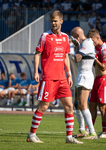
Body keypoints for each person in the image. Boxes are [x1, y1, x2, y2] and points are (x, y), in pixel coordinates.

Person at [26, 10, 83, 144]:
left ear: (61, 21)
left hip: (62, 78)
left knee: (69, 106)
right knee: (44, 106)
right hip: (49, 77)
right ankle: (32, 134)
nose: (53, 23)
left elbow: (65, 57)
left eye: (56, 21)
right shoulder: (45, 36)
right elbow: (37, 54)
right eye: (52, 21)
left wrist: (69, 74)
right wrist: (36, 72)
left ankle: (69, 137)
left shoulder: (65, 37)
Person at [70, 27, 97, 139]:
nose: (72, 40)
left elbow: (77, 58)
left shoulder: (87, 42)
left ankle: (92, 132)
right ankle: (82, 130)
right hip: (81, 75)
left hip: (86, 76)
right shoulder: (82, 44)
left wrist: (69, 49)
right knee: (77, 104)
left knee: (83, 104)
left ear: (77, 35)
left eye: (72, 37)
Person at [87, 29, 106, 139]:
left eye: (92, 40)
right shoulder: (96, 48)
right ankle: (90, 130)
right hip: (97, 79)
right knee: (91, 105)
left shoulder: (105, 49)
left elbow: (104, 66)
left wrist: (94, 58)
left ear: (98, 38)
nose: (92, 43)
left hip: (104, 79)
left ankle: (105, 131)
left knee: (102, 107)